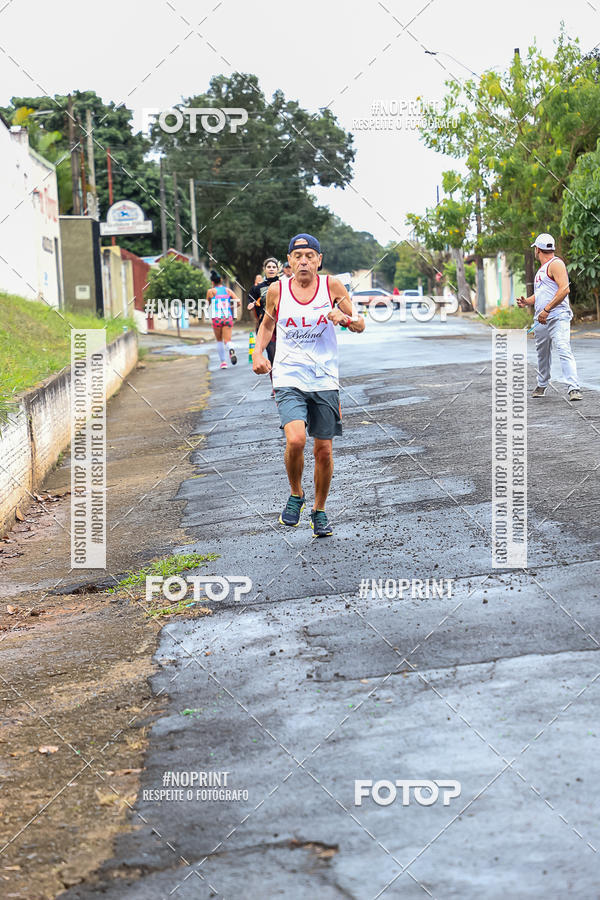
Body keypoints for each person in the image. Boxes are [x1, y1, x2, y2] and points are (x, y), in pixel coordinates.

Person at [252, 233, 365, 537]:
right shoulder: (277, 291)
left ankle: (319, 510)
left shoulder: (332, 287)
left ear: (319, 260)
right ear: (288, 261)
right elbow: (267, 324)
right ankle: (295, 494)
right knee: (296, 440)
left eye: (309, 256)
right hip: (288, 375)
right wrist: (257, 352)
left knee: (324, 451)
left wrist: (342, 317)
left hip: (325, 378)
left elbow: (359, 324)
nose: (303, 261)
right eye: (297, 256)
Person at [517, 233, 581, 401]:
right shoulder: (541, 271)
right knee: (542, 353)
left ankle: (573, 388)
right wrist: (526, 302)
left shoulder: (556, 263)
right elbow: (540, 295)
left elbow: (564, 289)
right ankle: (542, 384)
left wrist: (546, 309)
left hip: (557, 316)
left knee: (563, 348)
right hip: (541, 320)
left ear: (537, 249)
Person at [248, 257, 279, 388]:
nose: (271, 269)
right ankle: (276, 387)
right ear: (264, 269)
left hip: (284, 325)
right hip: (266, 325)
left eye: (274, 267)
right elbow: (250, 302)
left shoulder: (284, 285)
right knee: (273, 356)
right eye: (269, 267)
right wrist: (252, 304)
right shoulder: (257, 288)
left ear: (278, 269)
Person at [207, 270, 237, 369]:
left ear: (212, 282)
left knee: (219, 340)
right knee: (227, 340)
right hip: (227, 316)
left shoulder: (211, 292)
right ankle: (231, 348)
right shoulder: (228, 290)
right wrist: (230, 306)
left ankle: (223, 362)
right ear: (221, 280)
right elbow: (238, 302)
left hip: (217, 317)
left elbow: (209, 304)